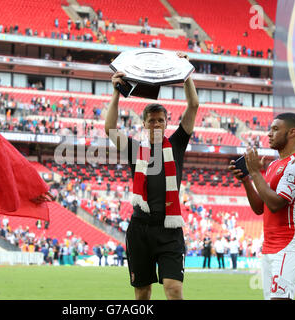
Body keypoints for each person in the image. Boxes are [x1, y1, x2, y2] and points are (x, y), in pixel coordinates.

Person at [105, 52, 199, 300]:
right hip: (140, 229)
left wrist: (185, 72)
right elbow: (109, 128)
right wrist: (117, 91)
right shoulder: (135, 149)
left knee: (174, 289)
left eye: (160, 121)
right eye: (152, 121)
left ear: (166, 123)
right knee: (142, 294)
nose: (156, 125)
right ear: (144, 124)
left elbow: (193, 106)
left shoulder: (177, 144)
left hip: (169, 229)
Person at [229, 112, 295, 300]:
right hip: (269, 244)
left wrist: (255, 172)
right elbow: (259, 208)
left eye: (275, 129)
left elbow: (275, 204)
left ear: (292, 133)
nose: (269, 134)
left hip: (288, 242)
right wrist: (247, 179)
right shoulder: (273, 165)